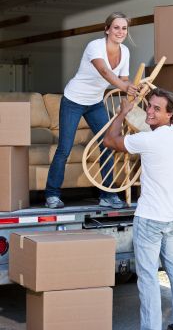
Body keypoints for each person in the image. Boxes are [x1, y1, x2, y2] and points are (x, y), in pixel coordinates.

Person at [103, 87, 173, 330]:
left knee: (147, 276)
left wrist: (122, 112)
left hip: (149, 219)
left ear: (170, 114)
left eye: (158, 108)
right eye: (150, 106)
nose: (150, 111)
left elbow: (110, 141)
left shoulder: (148, 139)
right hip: (172, 217)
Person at [45, 12, 137, 209]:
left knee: (109, 143)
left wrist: (133, 89)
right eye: (116, 27)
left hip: (95, 103)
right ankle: (52, 195)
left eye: (124, 28)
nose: (120, 32)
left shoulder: (125, 52)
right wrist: (124, 87)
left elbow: (125, 79)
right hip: (73, 100)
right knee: (65, 149)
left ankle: (107, 195)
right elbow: (105, 72)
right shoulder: (95, 46)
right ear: (107, 29)